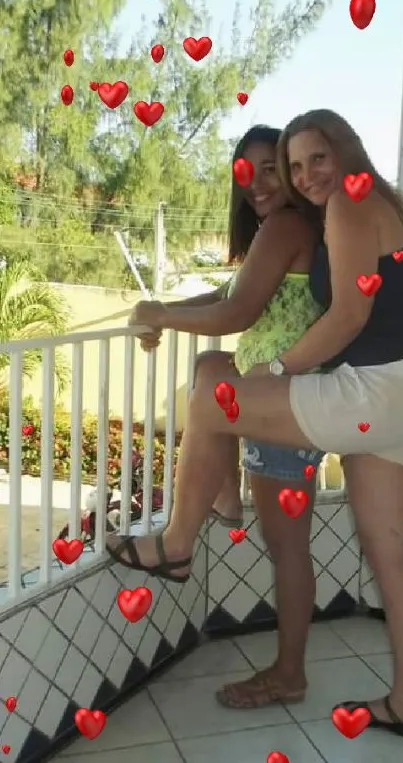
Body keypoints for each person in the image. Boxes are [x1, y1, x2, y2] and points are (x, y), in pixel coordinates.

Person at [108, 108, 403, 734]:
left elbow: (345, 315)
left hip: (368, 393)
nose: (300, 174)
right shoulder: (370, 203)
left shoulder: (346, 207)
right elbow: (245, 297)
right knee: (390, 557)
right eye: (295, 166)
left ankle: (179, 541)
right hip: (390, 396)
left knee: (215, 398)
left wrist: (276, 366)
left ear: (342, 150)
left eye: (309, 160)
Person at [126, 124, 326, 707]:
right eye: (248, 171)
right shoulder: (282, 228)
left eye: (272, 167)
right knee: (213, 368)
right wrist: (160, 309)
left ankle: (289, 674)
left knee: (287, 546)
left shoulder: (288, 225)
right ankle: (215, 503)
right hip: (279, 397)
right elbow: (228, 295)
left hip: (287, 403)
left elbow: (236, 311)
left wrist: (160, 317)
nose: (259, 182)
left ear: (289, 173)